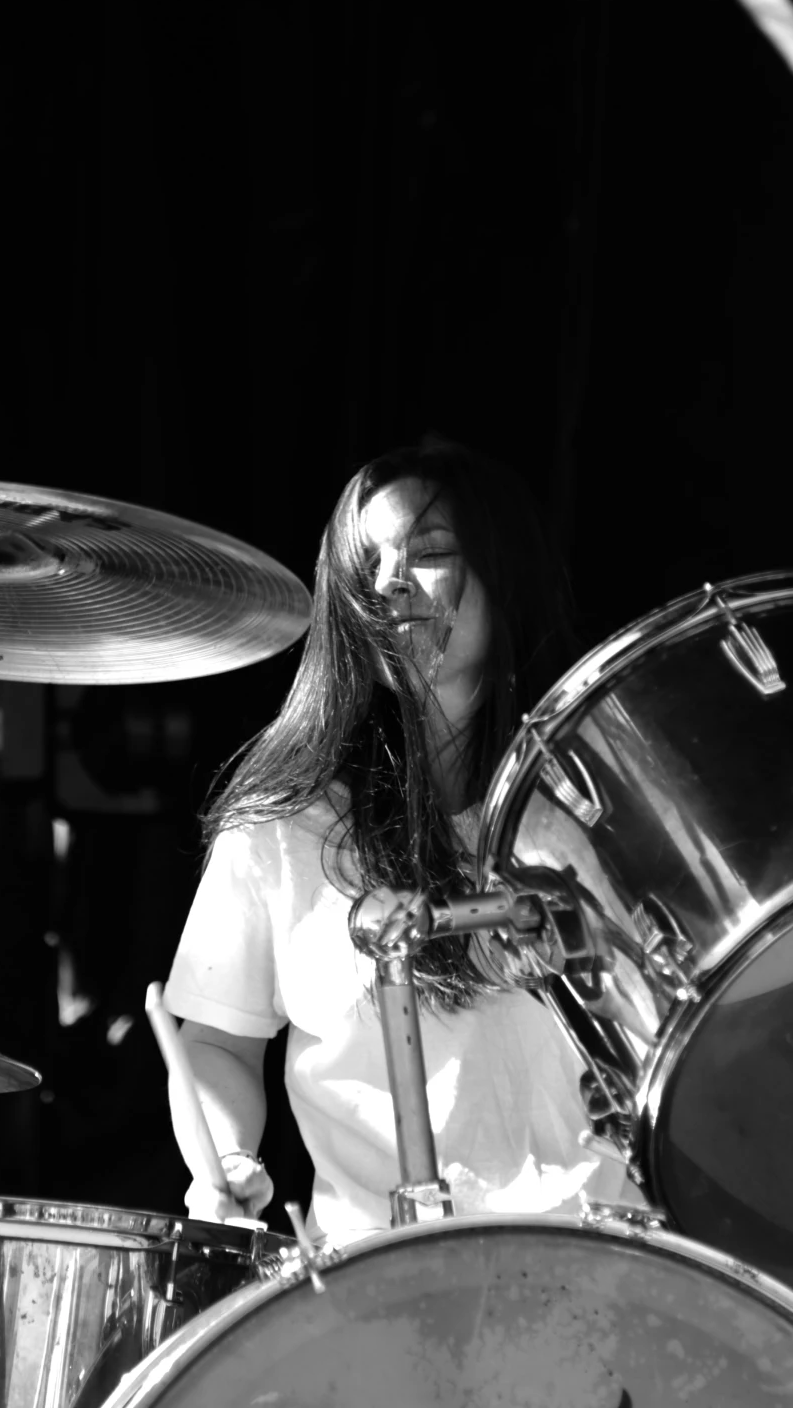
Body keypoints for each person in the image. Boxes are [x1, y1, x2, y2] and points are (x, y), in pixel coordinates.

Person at [161, 439, 637, 1244]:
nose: (388, 584)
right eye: (366, 564)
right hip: (377, 1286)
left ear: (504, 571)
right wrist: (227, 1156)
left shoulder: (605, 805)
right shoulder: (283, 823)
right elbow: (215, 1040)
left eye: (431, 553)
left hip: (609, 1259)